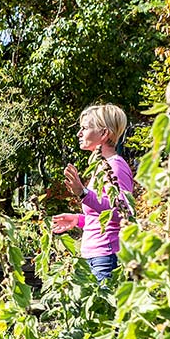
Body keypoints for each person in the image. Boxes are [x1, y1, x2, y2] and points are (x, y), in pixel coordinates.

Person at [53, 104, 134, 281]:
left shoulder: (115, 166)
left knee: (104, 308)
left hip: (107, 257)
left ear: (104, 134)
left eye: (85, 128)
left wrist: (83, 193)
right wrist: (78, 220)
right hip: (94, 256)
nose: (79, 134)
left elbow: (124, 213)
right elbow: (102, 216)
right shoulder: (101, 167)